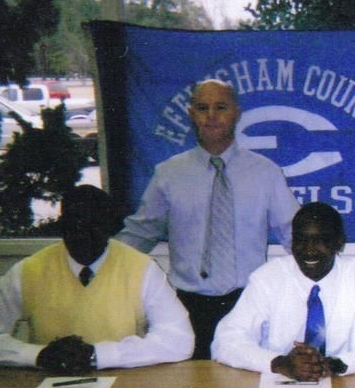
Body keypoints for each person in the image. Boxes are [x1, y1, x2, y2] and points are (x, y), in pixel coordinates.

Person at [117, 79, 299, 359]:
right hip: (187, 307)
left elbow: (295, 234)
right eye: (202, 108)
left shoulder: (266, 173)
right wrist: (102, 264)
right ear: (192, 114)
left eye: (221, 107)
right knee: (191, 383)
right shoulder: (169, 174)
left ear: (236, 113)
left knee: (246, 381)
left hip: (249, 303)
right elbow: (140, 233)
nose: (211, 116)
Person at [0, 185, 194, 372]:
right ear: (61, 226)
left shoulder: (142, 269)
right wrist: (38, 355)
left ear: (110, 228)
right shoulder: (28, 271)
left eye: (94, 226)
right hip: (48, 387)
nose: (82, 234)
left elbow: (179, 340)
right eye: (74, 225)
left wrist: (97, 355)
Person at [211, 202, 355, 379]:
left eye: (321, 240)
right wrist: (280, 363)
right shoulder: (267, 279)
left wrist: (337, 364)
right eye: (300, 240)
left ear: (338, 242)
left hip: (343, 387)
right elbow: (225, 341)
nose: (309, 249)